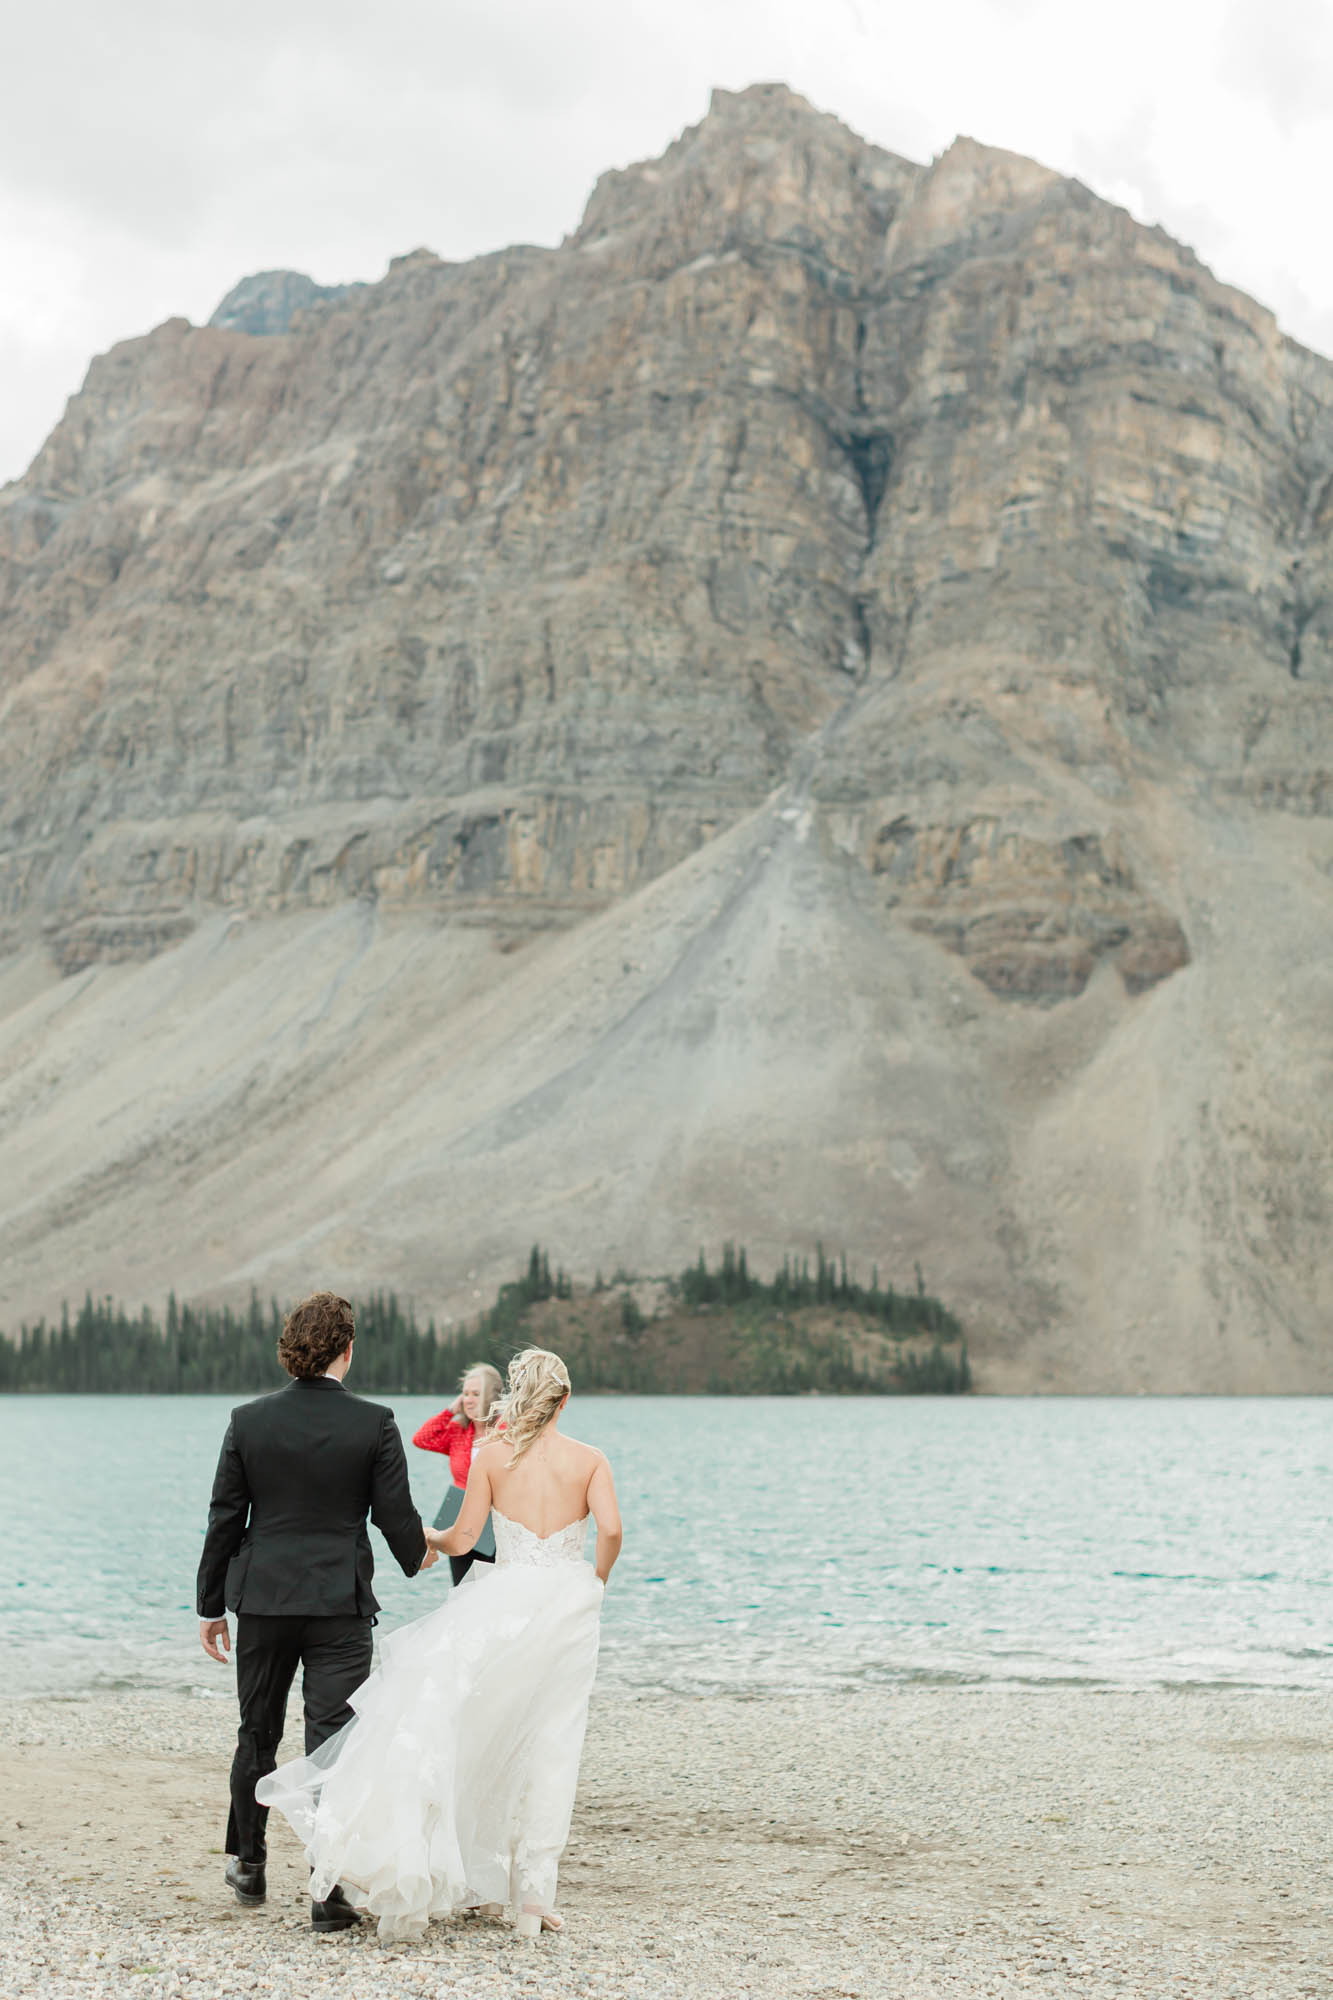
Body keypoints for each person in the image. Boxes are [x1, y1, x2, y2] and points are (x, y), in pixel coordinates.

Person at [257, 1346, 622, 1941]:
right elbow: (610, 1530)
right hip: (567, 1605)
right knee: (553, 1743)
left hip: (502, 1602)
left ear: (516, 1397)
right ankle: (531, 1899)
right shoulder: (590, 1460)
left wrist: (426, 1538)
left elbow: (465, 1538)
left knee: (475, 1727)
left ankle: (456, 1865)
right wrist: (594, 1579)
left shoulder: (490, 1456)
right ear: (566, 1398)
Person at [195, 1291, 438, 1933]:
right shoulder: (376, 1422)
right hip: (338, 1606)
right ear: (347, 1349)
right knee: (335, 1742)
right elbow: (394, 1517)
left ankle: (248, 1862)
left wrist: (211, 1606)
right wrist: (420, 1556)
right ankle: (327, 1893)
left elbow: (225, 1519)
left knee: (257, 1730)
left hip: (264, 1602)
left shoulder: (248, 1420)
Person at [412, 1362, 503, 1585]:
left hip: (496, 1524)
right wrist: (451, 1410)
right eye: (464, 1394)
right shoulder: (457, 1432)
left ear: (491, 1397)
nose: (468, 1399)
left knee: (494, 1592)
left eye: (475, 1394)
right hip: (461, 1521)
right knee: (462, 1590)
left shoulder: (505, 1430)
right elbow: (421, 1439)